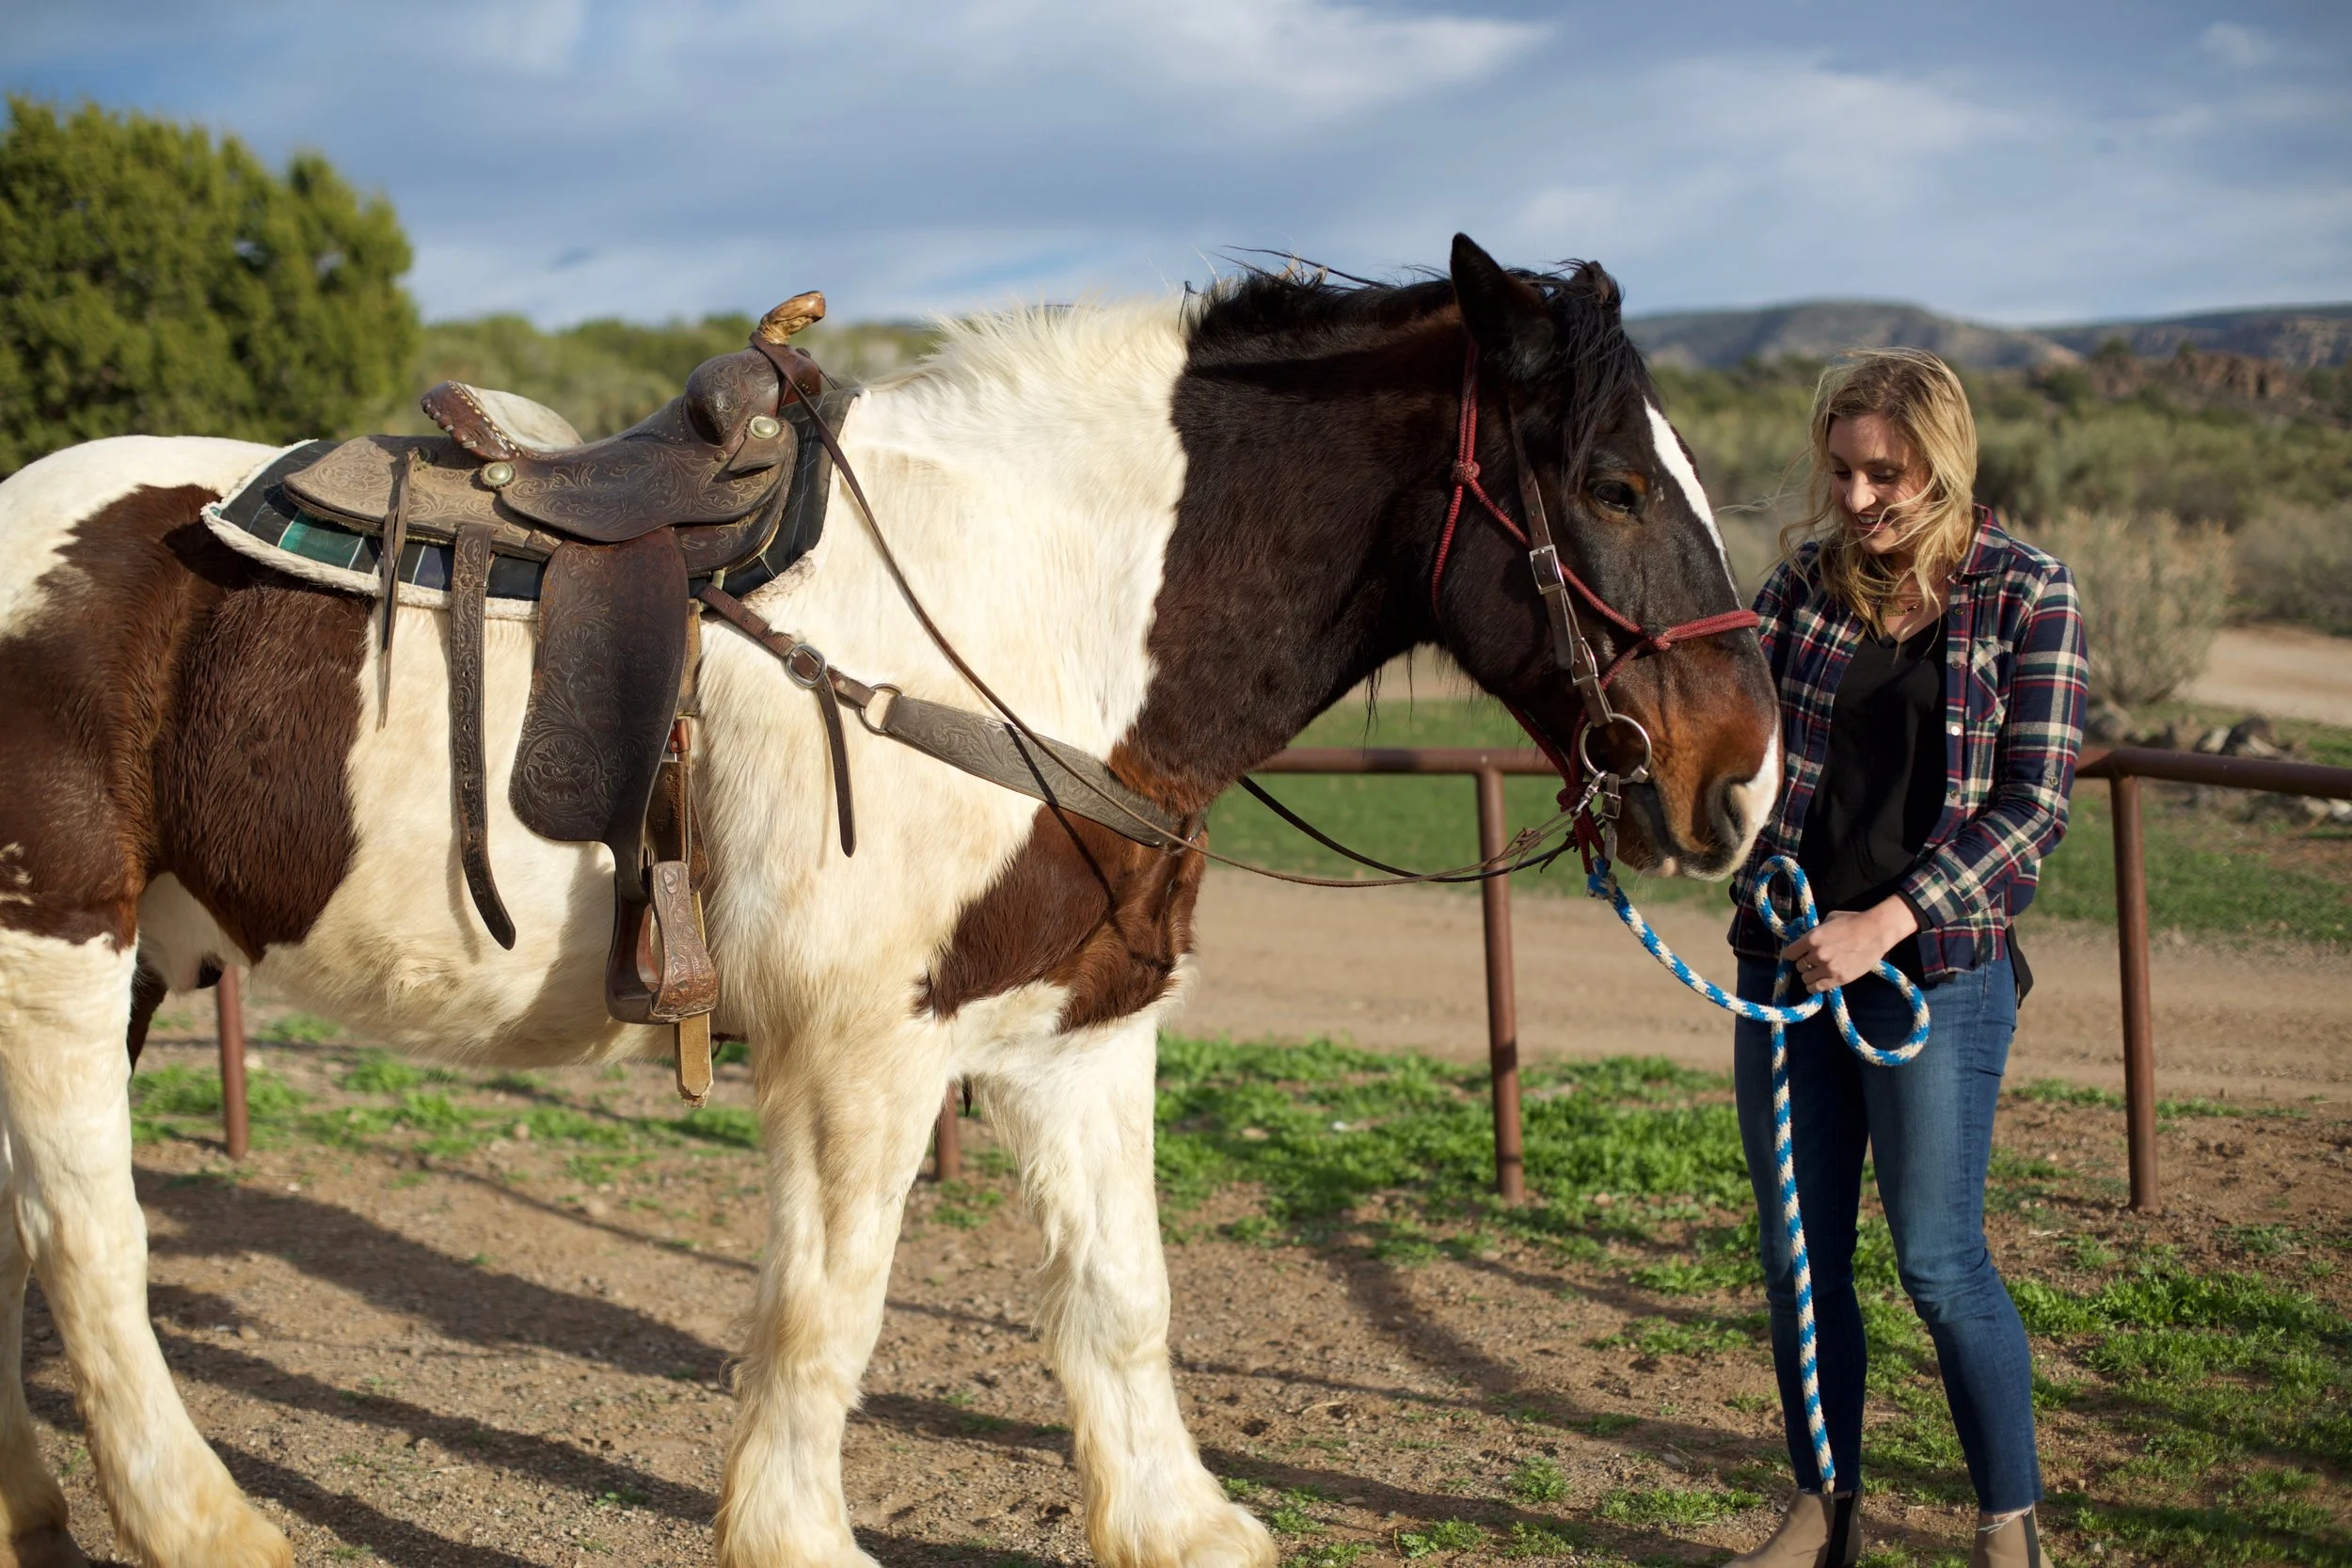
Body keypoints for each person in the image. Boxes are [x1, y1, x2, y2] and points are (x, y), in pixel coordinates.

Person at [1724, 349, 2088, 1568]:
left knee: (1936, 1259)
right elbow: (1744, 753)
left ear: (1944, 461)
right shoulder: (1797, 590)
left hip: (1931, 974)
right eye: (1840, 471)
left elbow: (2032, 808)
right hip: (1788, 968)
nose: (1859, 497)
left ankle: (2009, 1528)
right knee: (1800, 1259)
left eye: (1885, 472)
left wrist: (1886, 922)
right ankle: (1823, 1511)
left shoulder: (2031, 594)